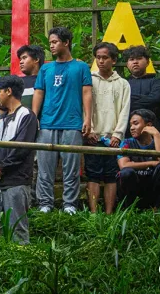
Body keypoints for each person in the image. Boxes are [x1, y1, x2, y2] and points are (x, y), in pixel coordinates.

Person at [32, 27, 92, 214]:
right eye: (50, 42)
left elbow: (87, 92)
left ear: (66, 43)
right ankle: (45, 204)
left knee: (71, 168)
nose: (51, 46)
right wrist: (34, 116)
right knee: (44, 167)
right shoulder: (46, 68)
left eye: (55, 42)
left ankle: (70, 204)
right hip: (47, 123)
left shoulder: (81, 67)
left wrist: (87, 118)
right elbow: (39, 92)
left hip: (72, 123)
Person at [0, 76, 38, 245]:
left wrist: (1, 168)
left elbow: (22, 148)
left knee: (17, 227)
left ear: (8, 91)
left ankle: (20, 263)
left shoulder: (27, 116)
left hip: (16, 180)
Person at [86, 42, 131, 214]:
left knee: (111, 176)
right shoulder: (89, 80)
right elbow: (85, 106)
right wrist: (88, 129)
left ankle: (109, 213)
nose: (101, 61)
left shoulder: (123, 84)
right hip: (93, 136)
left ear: (114, 60)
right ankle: (93, 214)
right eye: (98, 57)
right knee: (93, 175)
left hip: (113, 137)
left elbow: (125, 110)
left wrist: (118, 134)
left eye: (105, 57)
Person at [117, 109, 160, 209]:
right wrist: (152, 163)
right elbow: (124, 165)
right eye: (131, 125)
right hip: (134, 188)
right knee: (126, 173)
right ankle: (130, 210)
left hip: (153, 189)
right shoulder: (126, 143)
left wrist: (156, 135)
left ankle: (158, 209)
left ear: (148, 125)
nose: (132, 128)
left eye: (135, 124)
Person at [123, 45, 160, 132]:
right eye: (131, 59)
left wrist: (130, 101)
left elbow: (155, 99)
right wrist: (146, 98)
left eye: (139, 58)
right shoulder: (123, 83)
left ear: (147, 62)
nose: (135, 62)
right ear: (127, 64)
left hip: (153, 128)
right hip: (127, 129)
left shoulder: (157, 81)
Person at [17, 44, 45, 109]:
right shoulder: (17, 82)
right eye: (20, 59)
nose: (21, 62)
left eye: (24, 58)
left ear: (36, 59)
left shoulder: (45, 80)